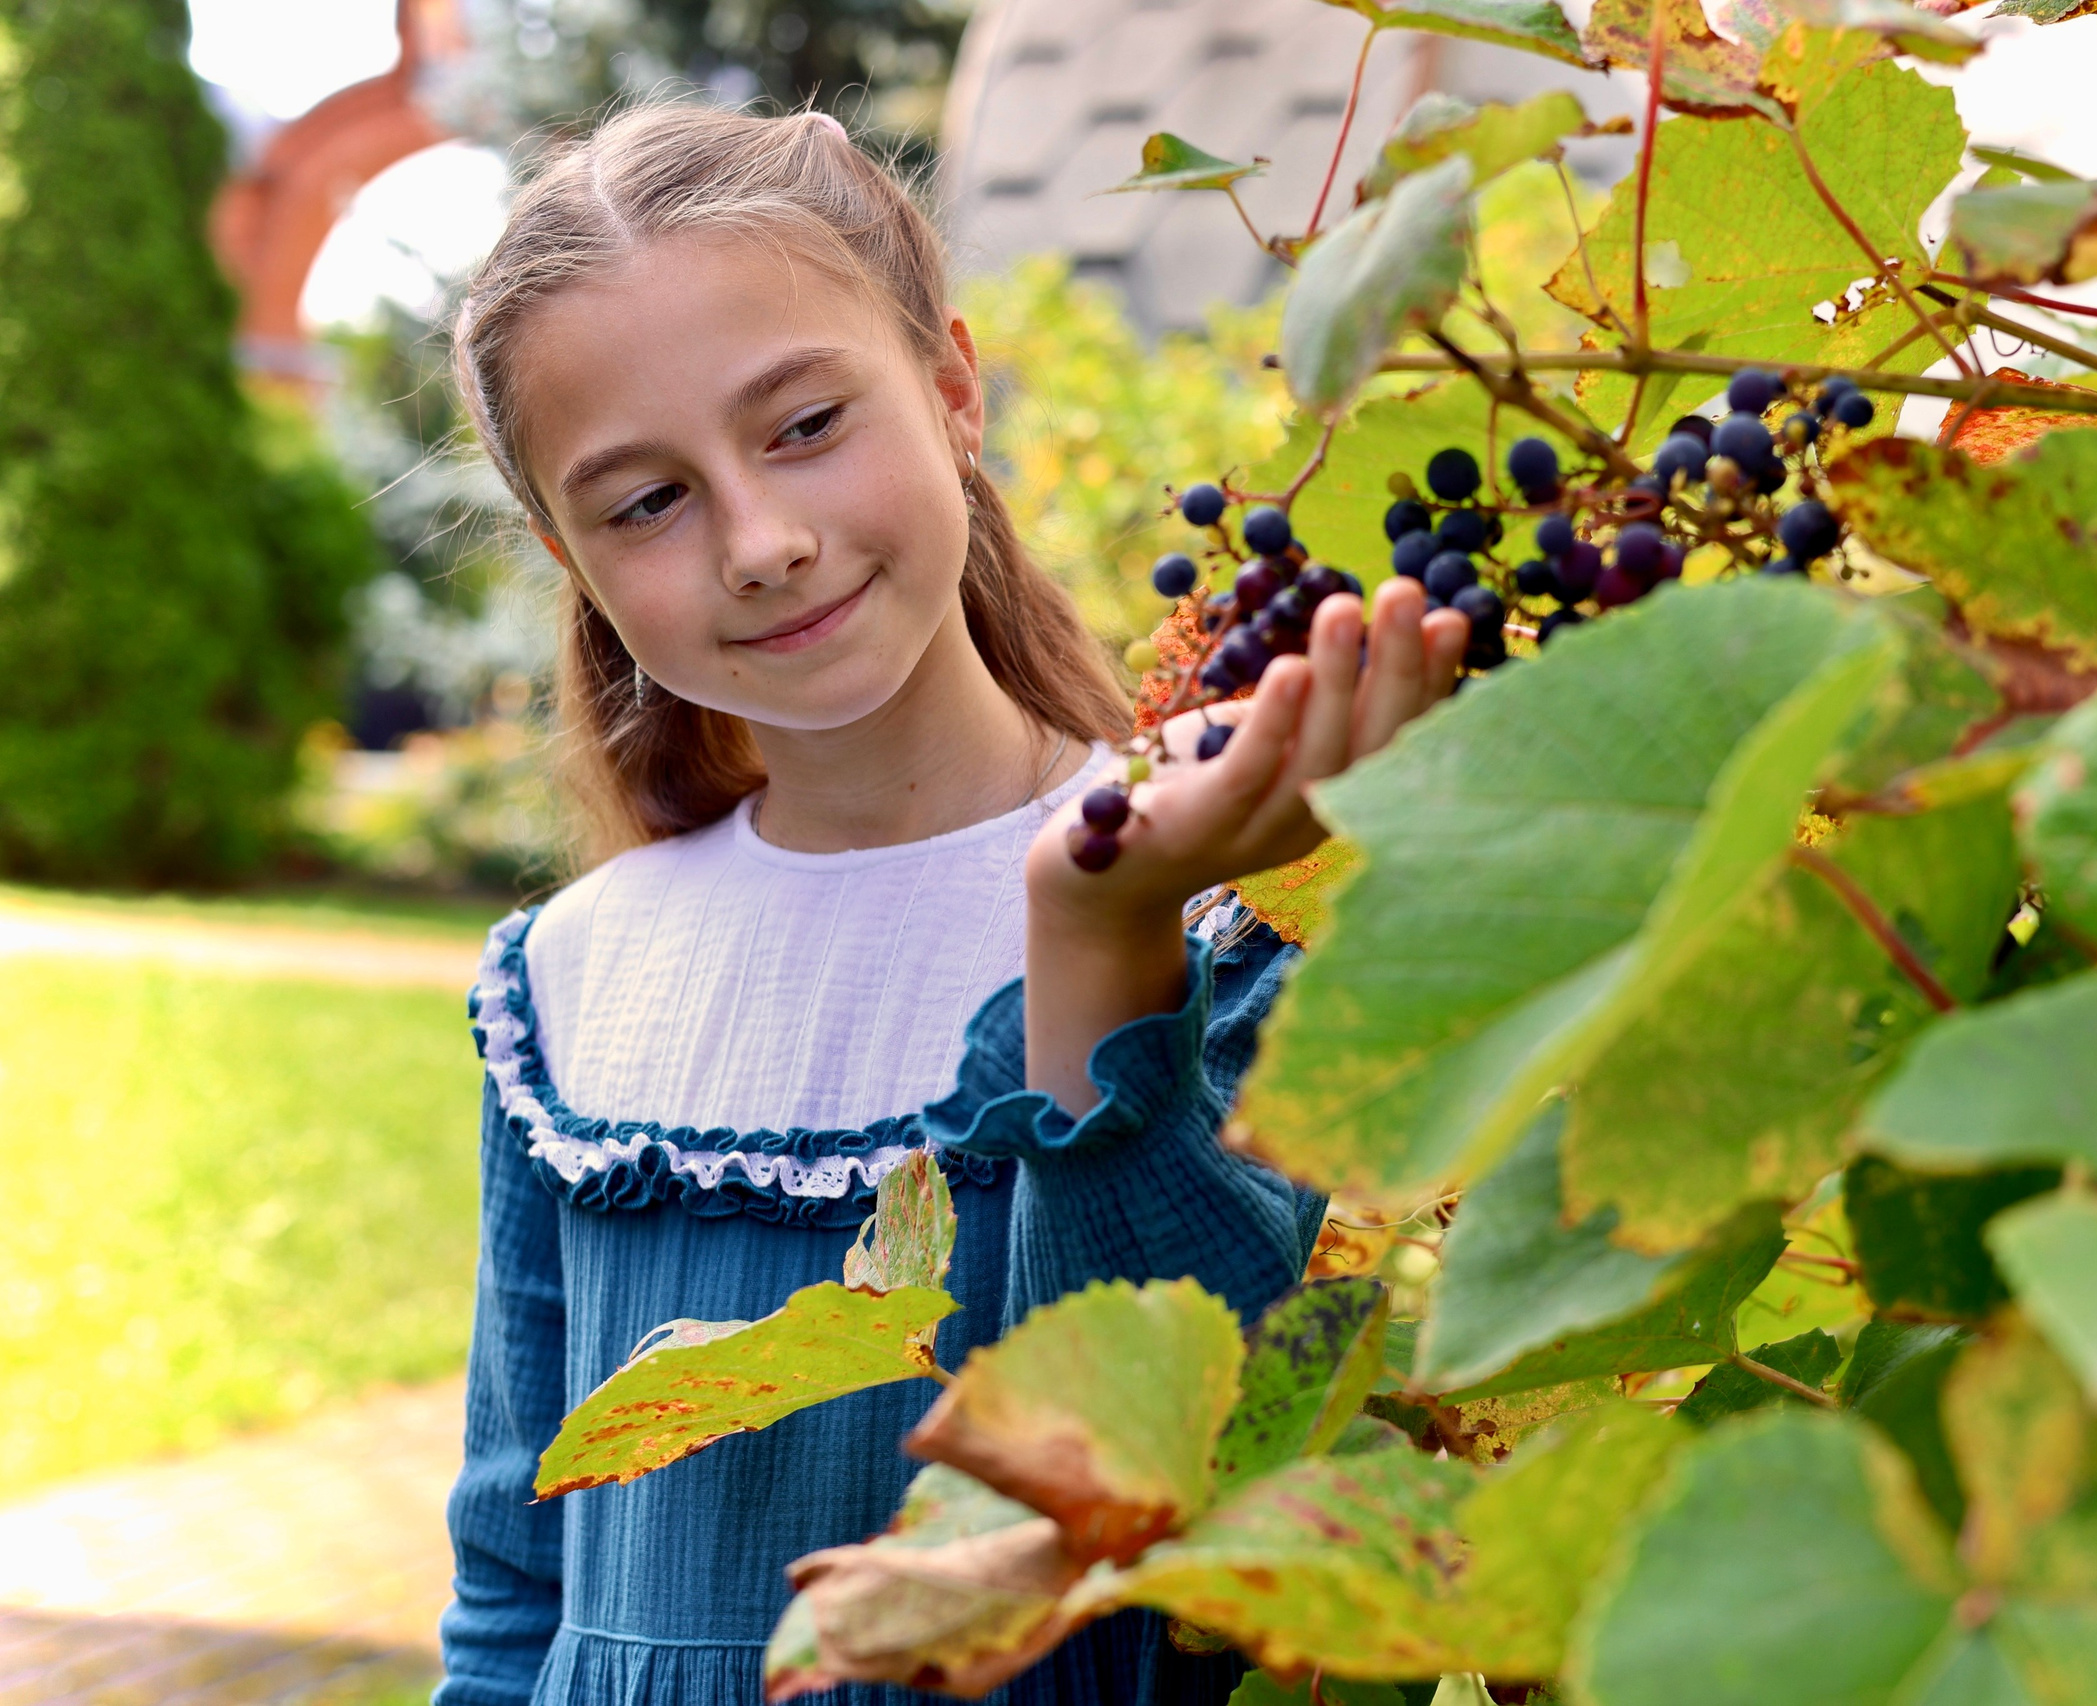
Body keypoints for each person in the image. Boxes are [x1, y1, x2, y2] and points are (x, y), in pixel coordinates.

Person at [433, 102, 1468, 1706]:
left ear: (955, 393)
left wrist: (1096, 936)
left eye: (803, 425)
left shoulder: (1214, 899)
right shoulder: (568, 983)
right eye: (646, 502)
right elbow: (513, 1587)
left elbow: (1172, 1551)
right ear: (571, 557)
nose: (762, 542)